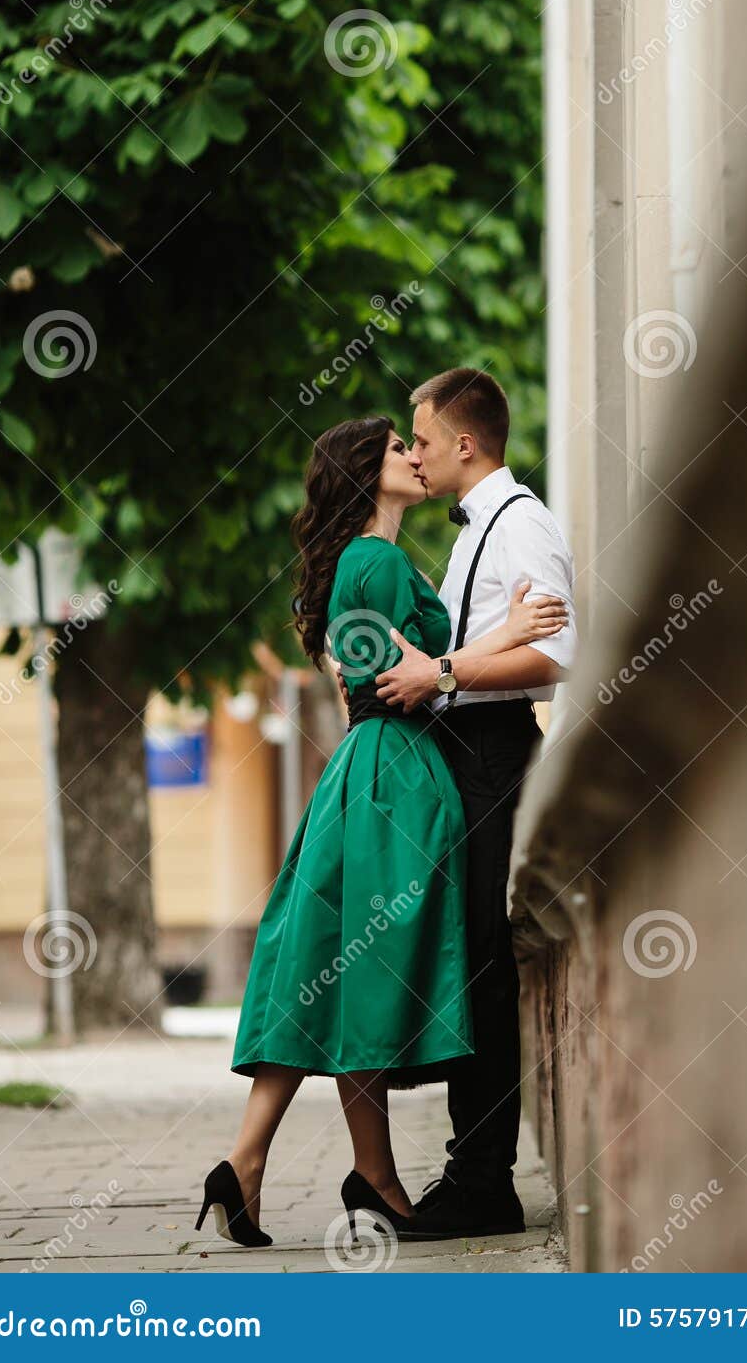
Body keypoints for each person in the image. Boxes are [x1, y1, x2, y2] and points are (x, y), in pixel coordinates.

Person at [196, 416, 567, 1248]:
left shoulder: (358, 565)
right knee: (357, 965)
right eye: (401, 447)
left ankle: (332, 1171)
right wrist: (509, 633)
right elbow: (408, 685)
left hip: (367, 769)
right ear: (370, 471)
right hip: (397, 772)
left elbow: (364, 679)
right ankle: (316, 1169)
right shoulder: (379, 561)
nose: (415, 455)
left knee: (340, 963)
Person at [371, 368, 577, 1240]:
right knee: (469, 966)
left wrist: (441, 672)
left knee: (485, 970)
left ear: (463, 443)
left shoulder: (521, 523)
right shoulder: (470, 535)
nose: (413, 454)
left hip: (492, 757)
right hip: (463, 757)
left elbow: (556, 653)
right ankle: (473, 1169)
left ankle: (482, 1182)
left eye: (419, 438)